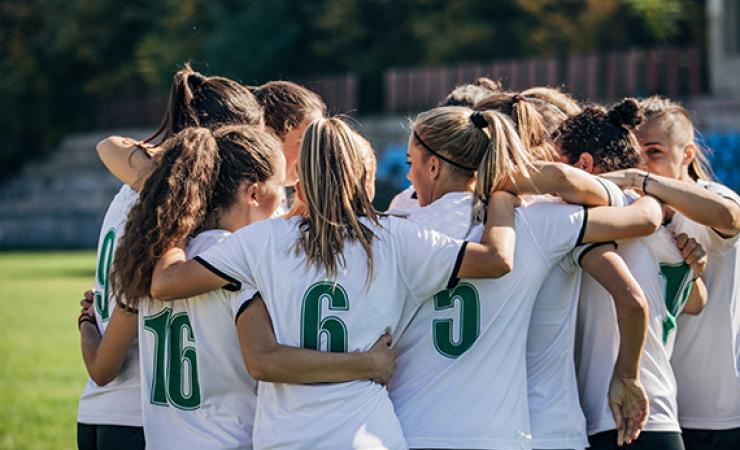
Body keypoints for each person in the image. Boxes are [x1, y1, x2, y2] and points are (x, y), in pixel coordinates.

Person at [148, 116, 526, 449]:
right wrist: (502, 196)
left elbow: (166, 283)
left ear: (301, 176)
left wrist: (180, 216)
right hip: (368, 435)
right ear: (359, 173)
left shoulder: (262, 241)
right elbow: (496, 260)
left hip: (287, 438)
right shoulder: (396, 238)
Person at [389, 104, 652, 449]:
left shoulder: (396, 228)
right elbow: (643, 216)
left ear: (434, 166)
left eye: (412, 164)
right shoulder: (535, 222)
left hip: (411, 429)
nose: (409, 178)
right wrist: (639, 183)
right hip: (501, 436)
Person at [76, 64, 265, 450]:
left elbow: (109, 145)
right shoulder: (181, 214)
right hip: (142, 413)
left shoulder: (139, 189)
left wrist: (86, 327)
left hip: (102, 410)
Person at [563, 99, 708, 450]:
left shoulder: (611, 217)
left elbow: (636, 301)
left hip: (622, 413)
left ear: (585, 164)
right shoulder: (663, 227)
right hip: (657, 414)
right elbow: (696, 302)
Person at [601, 96, 740, 450]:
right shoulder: (634, 211)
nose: (644, 163)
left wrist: (640, 179)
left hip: (717, 410)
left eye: (655, 152)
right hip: (657, 405)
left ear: (688, 155)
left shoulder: (710, 198)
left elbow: (729, 218)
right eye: (637, 153)